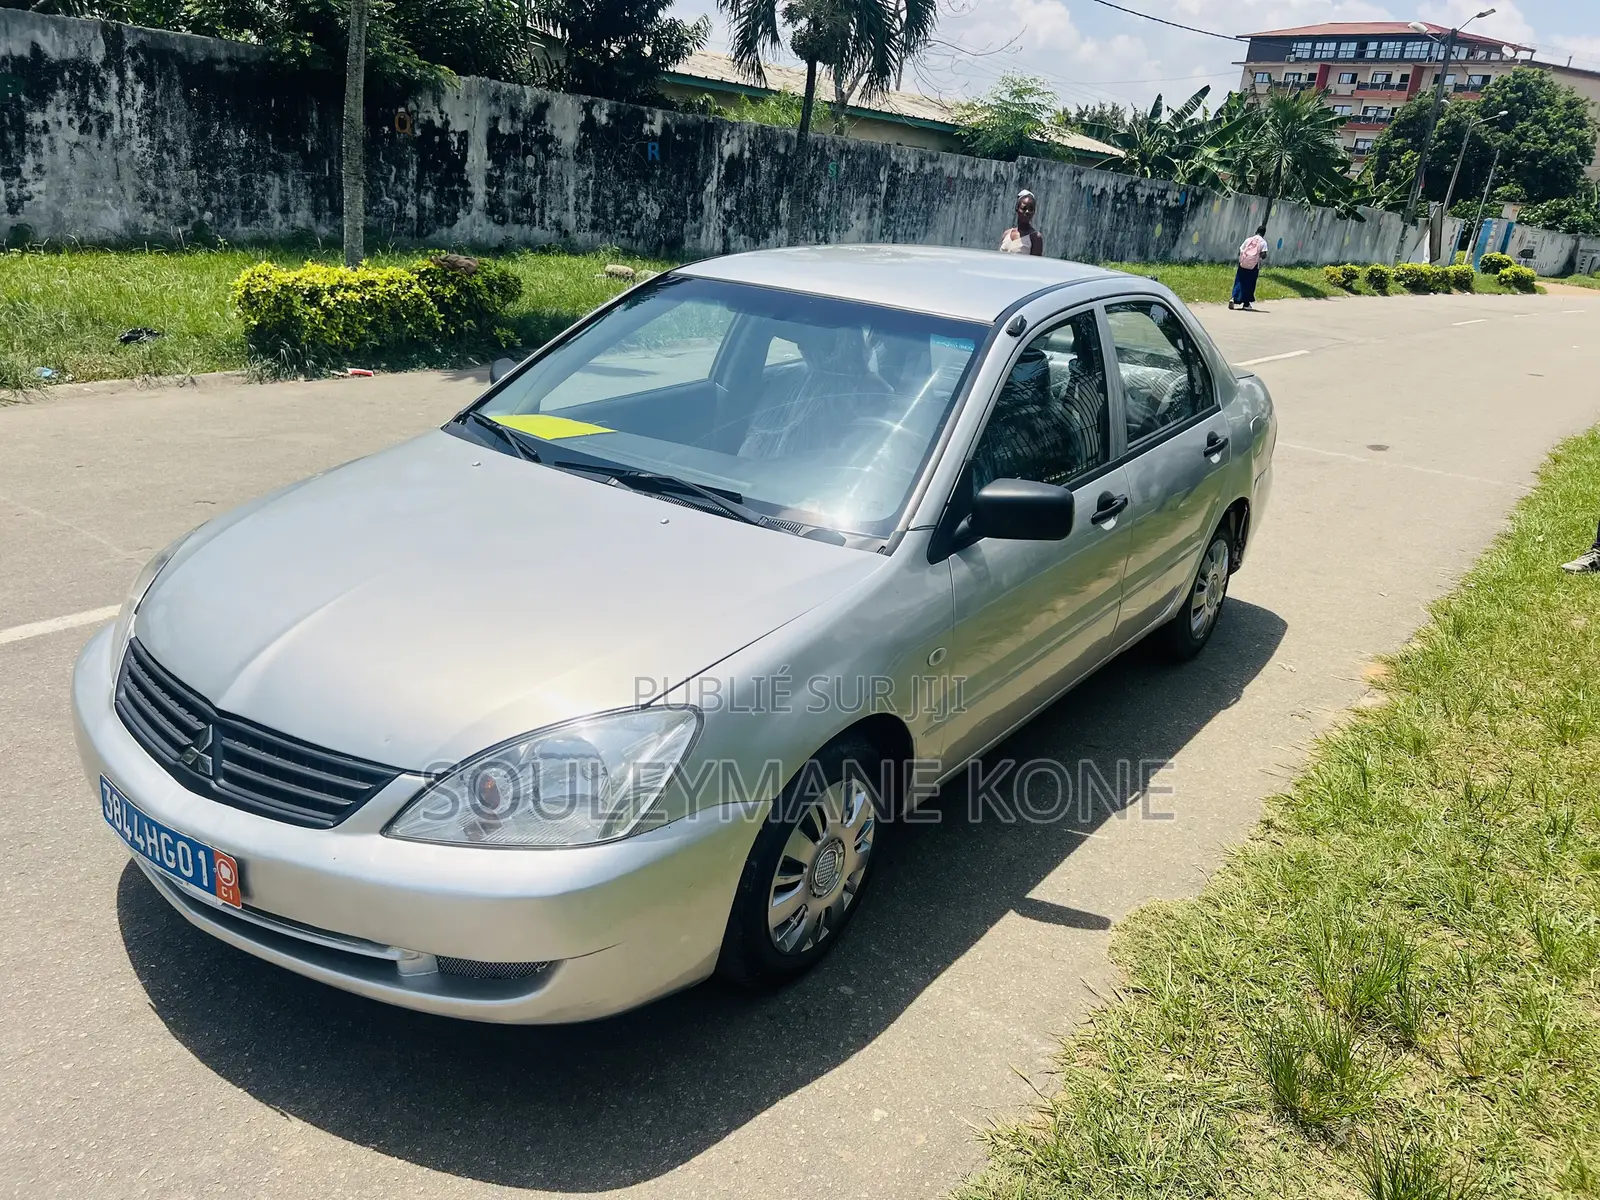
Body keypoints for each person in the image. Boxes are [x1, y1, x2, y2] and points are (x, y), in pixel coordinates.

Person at [1229, 225, 1269, 310]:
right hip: (1254, 266)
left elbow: (1240, 250)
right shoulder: (1263, 242)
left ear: (1256, 231)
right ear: (1264, 233)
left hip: (1243, 264)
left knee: (1239, 281)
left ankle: (1233, 298)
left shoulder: (1248, 240)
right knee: (1250, 284)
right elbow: (1263, 255)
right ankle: (1246, 303)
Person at [999, 191, 1044, 256]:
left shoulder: (1035, 237)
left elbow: (1036, 264)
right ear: (1017, 208)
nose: (1027, 211)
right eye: (1024, 208)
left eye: (1031, 209)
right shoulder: (1006, 234)